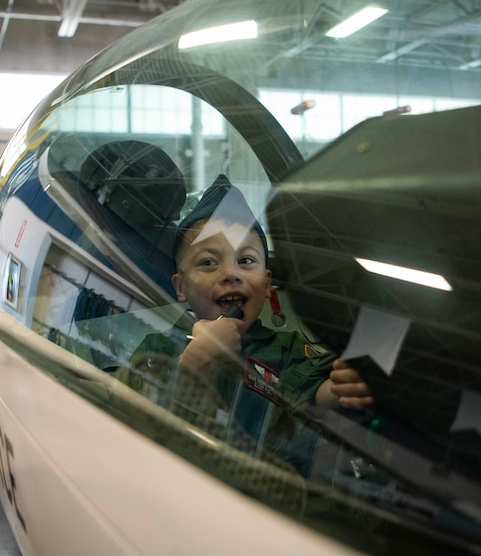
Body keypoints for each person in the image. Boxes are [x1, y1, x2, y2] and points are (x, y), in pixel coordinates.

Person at [123, 175, 370, 473]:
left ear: (267, 285)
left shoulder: (288, 349)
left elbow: (317, 394)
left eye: (247, 261)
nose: (231, 274)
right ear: (180, 287)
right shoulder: (159, 348)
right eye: (208, 263)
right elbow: (134, 419)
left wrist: (344, 385)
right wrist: (199, 356)